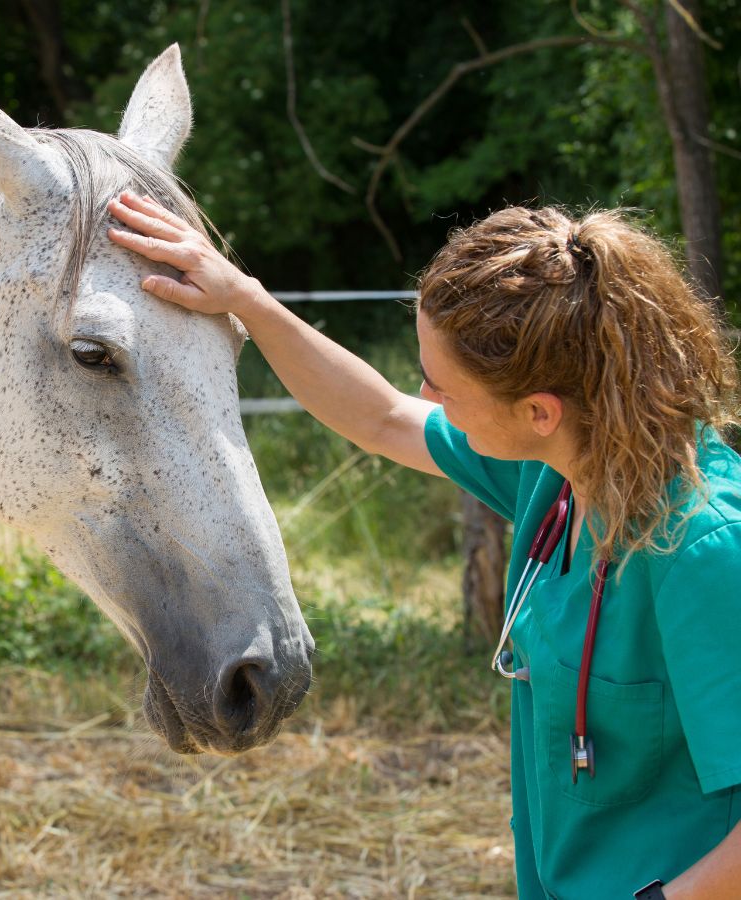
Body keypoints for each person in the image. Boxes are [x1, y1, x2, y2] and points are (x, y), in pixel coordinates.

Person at [107, 192, 741, 899]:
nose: (424, 393)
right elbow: (382, 417)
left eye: (442, 385)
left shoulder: (704, 550)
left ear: (538, 412)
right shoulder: (560, 469)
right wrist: (247, 301)